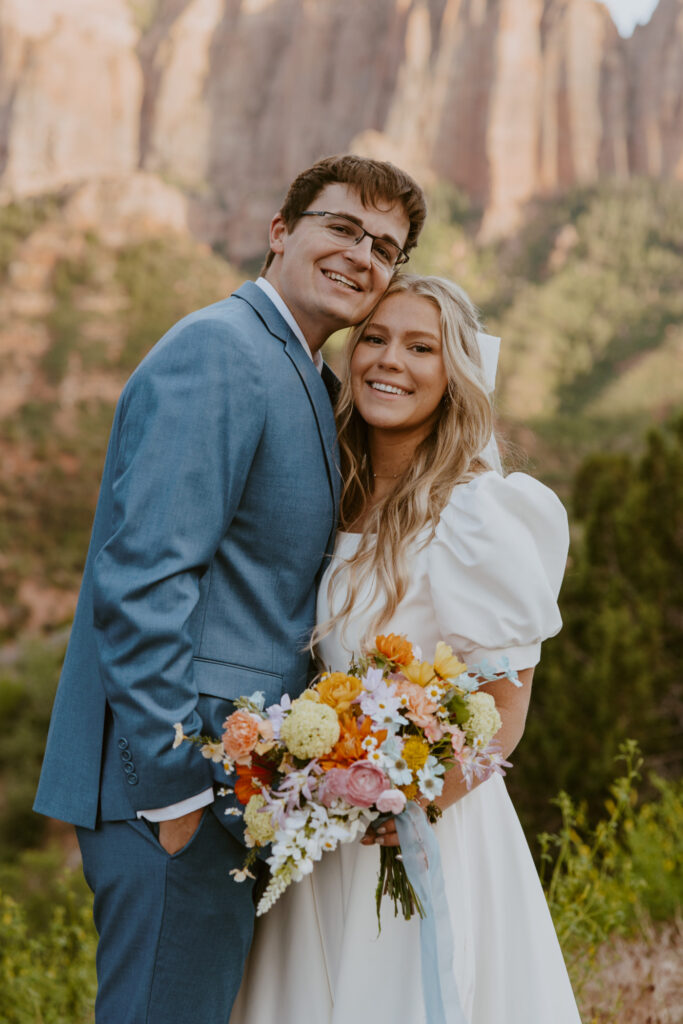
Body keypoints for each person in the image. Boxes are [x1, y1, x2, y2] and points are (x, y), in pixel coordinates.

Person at [33, 155, 427, 1024]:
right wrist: (174, 791)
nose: (363, 255)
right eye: (341, 227)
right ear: (280, 232)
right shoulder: (222, 350)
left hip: (242, 792)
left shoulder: (306, 375)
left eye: (385, 247)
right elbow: (143, 579)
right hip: (177, 787)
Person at [230, 274, 582, 1024]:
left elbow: (507, 706)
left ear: (453, 372)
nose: (391, 361)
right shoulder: (333, 492)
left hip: (425, 829)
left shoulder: (473, 512)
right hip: (324, 828)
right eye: (376, 339)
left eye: (420, 347)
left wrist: (418, 801)